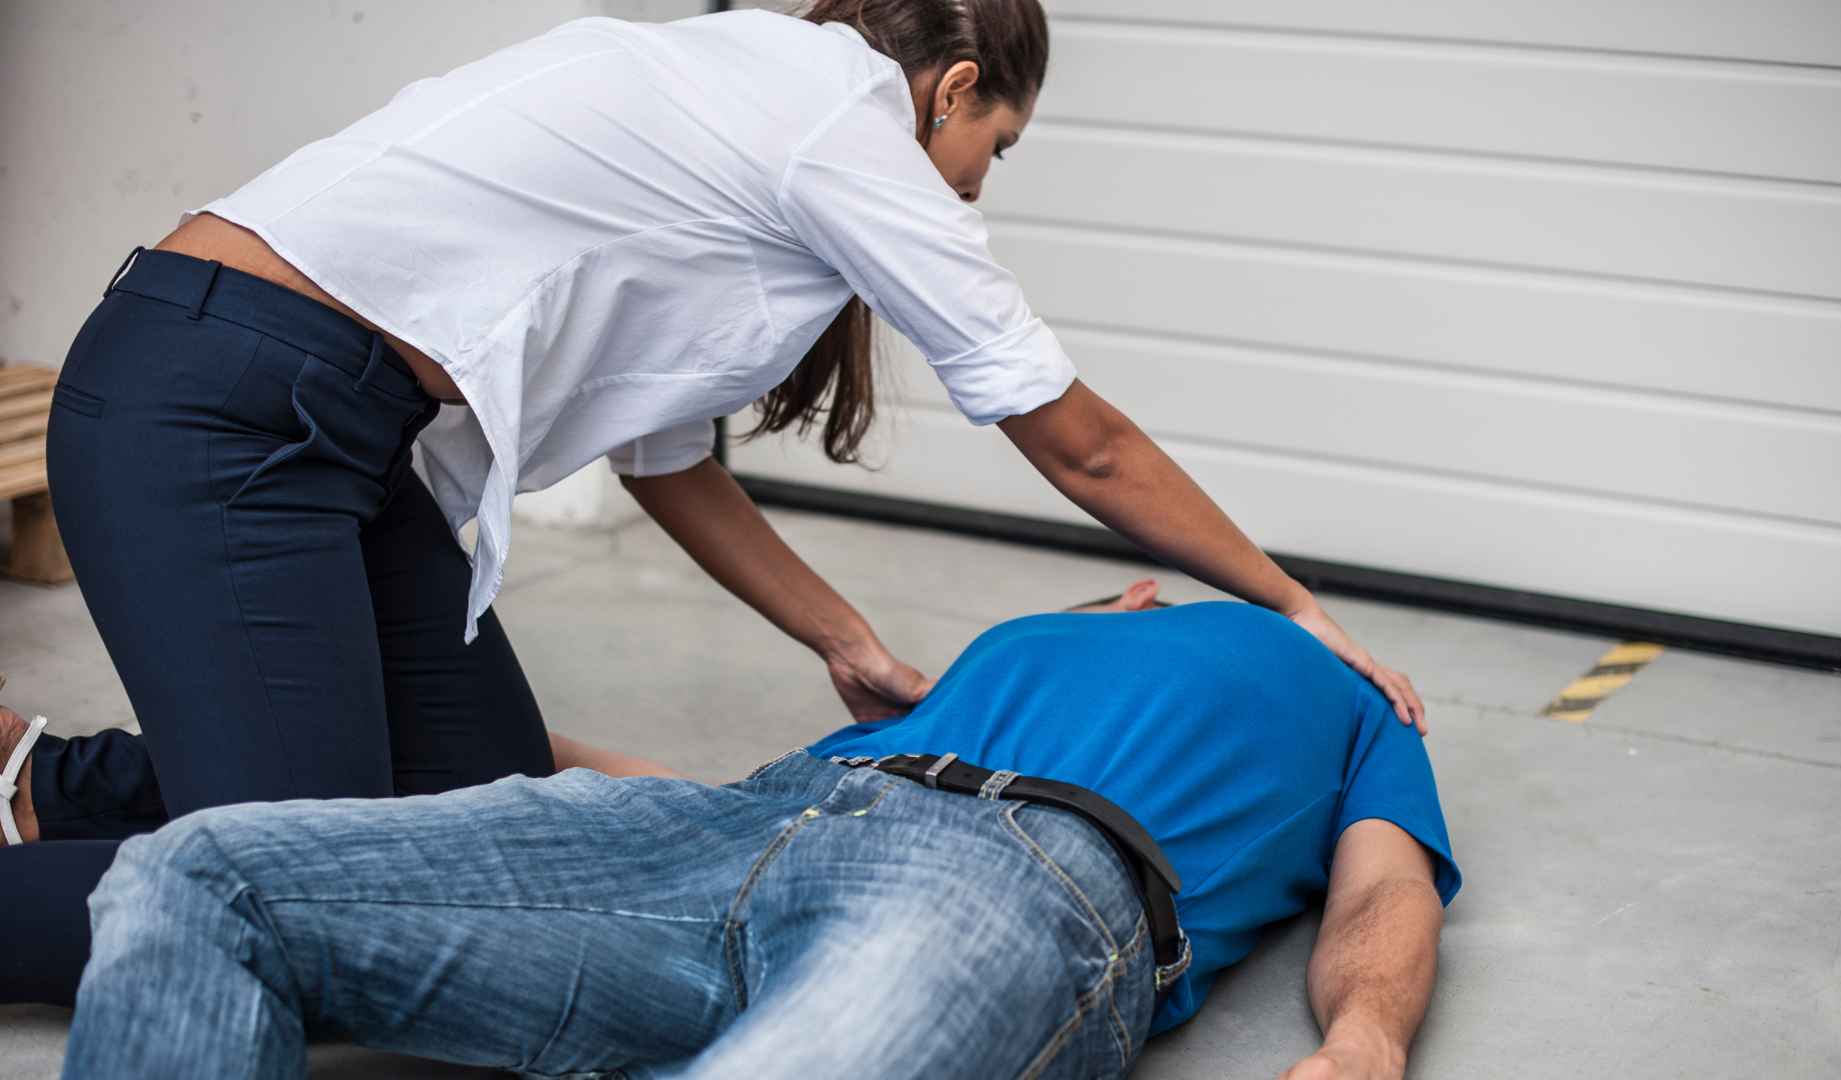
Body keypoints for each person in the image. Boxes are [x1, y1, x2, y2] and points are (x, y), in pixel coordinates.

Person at [9, 0, 1422, 1005]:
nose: (984, 186)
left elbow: (668, 460)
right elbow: (1083, 445)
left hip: (339, 443)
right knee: (298, 896)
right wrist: (1293, 602)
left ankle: (49, 782)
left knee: (489, 827)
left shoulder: (747, 112)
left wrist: (845, 640)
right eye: (1000, 144)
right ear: (955, 86)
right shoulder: (837, 130)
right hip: (221, 408)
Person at [61, 585, 1460, 1079]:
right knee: (200, 872)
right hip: (737, 825)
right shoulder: (1041, 636)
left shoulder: (1352, 699)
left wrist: (1362, 1044)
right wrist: (515, 778)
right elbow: (757, 802)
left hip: (1022, 879)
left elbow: (1385, 889)